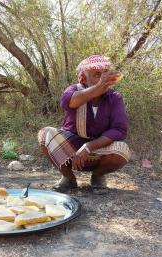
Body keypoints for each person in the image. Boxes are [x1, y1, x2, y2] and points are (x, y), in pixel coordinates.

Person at [38, 55, 131, 194]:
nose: (102, 79)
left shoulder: (114, 97)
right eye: (96, 75)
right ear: (83, 78)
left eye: (104, 74)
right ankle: (68, 178)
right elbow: (67, 102)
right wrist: (97, 89)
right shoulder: (73, 90)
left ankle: (98, 176)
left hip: (99, 148)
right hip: (72, 150)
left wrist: (88, 146)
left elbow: (119, 130)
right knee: (45, 134)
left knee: (122, 149)